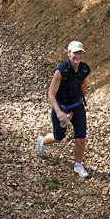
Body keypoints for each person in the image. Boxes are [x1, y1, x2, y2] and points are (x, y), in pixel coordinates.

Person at [36, 40, 91, 178]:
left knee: (81, 138)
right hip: (61, 107)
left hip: (77, 106)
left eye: (80, 53)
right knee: (58, 137)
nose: (77, 55)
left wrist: (82, 96)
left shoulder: (84, 69)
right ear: (68, 54)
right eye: (75, 53)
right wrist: (59, 112)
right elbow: (51, 94)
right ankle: (42, 141)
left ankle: (78, 165)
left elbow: (83, 83)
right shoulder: (60, 71)